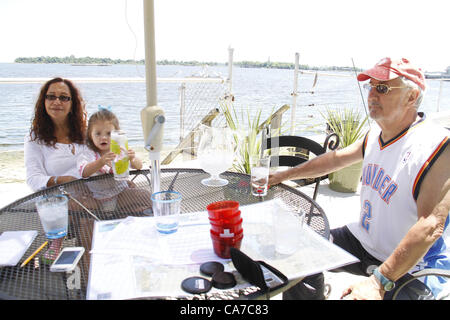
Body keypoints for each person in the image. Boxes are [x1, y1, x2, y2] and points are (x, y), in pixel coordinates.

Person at [269, 57, 449, 300]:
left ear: (411, 96)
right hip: (363, 241)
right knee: (297, 254)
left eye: (382, 88)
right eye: (371, 87)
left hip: (411, 266)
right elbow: (335, 159)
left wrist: (378, 281)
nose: (372, 95)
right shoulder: (376, 133)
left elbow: (430, 227)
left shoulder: (437, 148)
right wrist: (283, 175)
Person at [77, 108, 151, 213]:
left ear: (116, 134)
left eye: (109, 133)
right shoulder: (87, 153)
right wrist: (100, 162)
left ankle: (162, 215)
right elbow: (84, 172)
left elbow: (139, 166)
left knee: (144, 195)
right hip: (97, 198)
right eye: (98, 134)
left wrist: (132, 158)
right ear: (90, 135)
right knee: (79, 209)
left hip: (120, 193)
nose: (103, 138)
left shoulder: (118, 149)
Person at [25, 77, 89, 191]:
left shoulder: (87, 133)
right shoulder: (35, 138)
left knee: (131, 191)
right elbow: (33, 179)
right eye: (51, 96)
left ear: (72, 105)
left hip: (92, 196)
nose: (57, 102)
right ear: (44, 102)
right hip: (56, 199)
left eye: (64, 98)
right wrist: (60, 180)